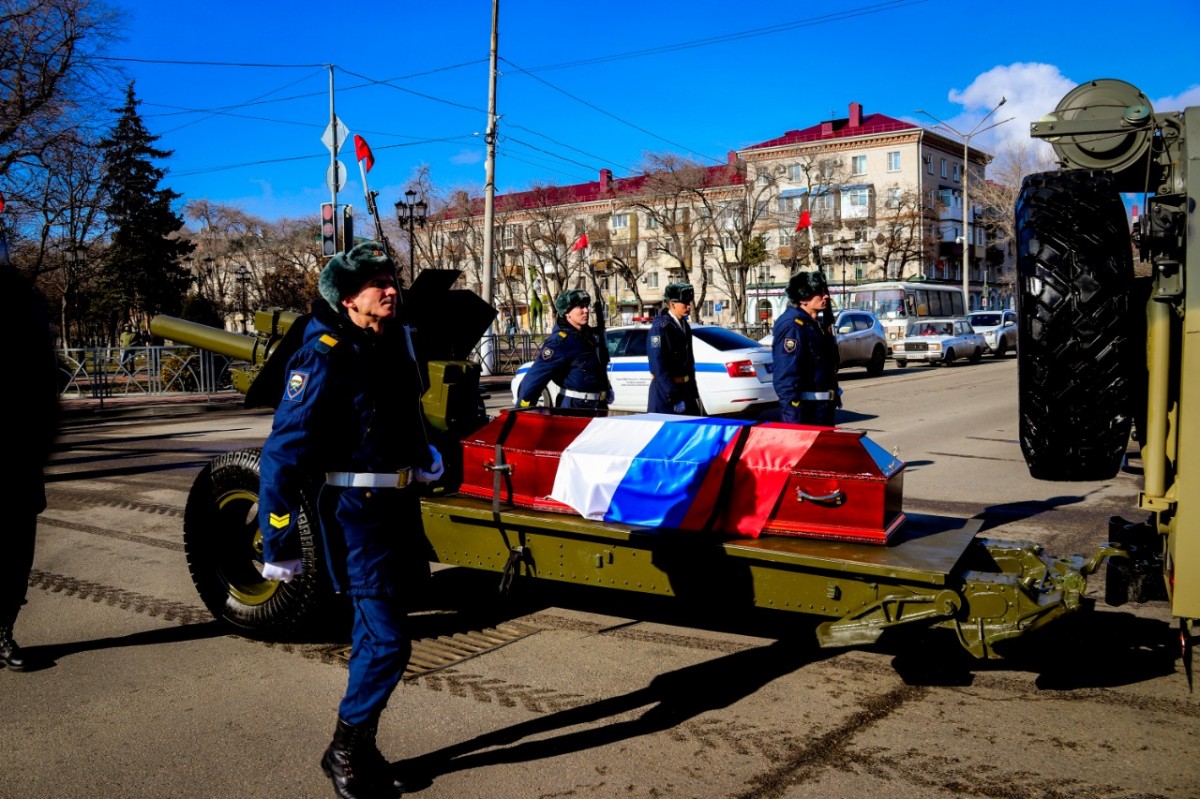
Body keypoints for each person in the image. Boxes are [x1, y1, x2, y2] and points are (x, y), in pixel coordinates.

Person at [258, 241, 442, 799]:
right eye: (376, 284)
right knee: (389, 643)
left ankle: (359, 748)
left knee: (372, 637)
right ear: (347, 299)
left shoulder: (390, 344)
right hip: (353, 515)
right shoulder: (325, 354)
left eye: (392, 280)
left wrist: (424, 454)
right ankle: (344, 747)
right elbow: (280, 455)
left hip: (395, 509)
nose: (391, 290)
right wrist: (279, 540)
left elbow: (402, 411)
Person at [1, 263, 60, 671]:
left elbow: (45, 379)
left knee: (17, 553)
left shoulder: (23, 299)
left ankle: (4, 633)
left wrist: (39, 447)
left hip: (18, 453)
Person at [516, 288, 611, 411]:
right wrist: (522, 410)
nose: (586, 310)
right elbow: (535, 378)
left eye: (587, 306)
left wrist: (607, 388)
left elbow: (598, 369)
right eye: (580, 307)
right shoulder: (560, 342)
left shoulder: (590, 337)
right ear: (567, 312)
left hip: (599, 406)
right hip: (575, 408)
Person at [772, 271, 839, 426]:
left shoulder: (813, 325)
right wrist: (793, 418)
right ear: (804, 298)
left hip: (821, 411)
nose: (826, 296)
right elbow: (786, 376)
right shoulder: (793, 326)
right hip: (806, 414)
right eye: (819, 293)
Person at [647, 282, 700, 415]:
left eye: (689, 303)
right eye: (684, 303)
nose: (688, 307)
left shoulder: (684, 325)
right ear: (672, 304)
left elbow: (689, 362)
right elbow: (658, 367)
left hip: (685, 391)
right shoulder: (661, 328)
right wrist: (674, 397)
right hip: (666, 395)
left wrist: (693, 393)